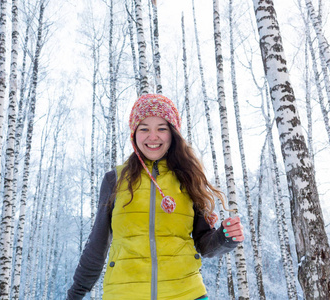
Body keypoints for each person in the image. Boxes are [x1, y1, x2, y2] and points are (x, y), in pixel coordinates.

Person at [67, 94, 244, 300]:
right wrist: (75, 294)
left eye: (162, 128)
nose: (153, 136)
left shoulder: (187, 177)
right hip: (124, 294)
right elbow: (97, 246)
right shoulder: (114, 180)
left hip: (186, 293)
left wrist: (225, 237)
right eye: (144, 129)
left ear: (173, 133)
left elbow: (204, 244)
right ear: (134, 134)